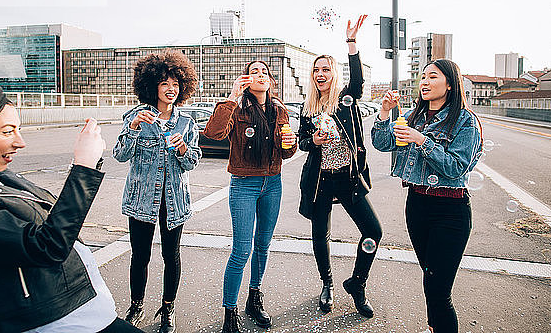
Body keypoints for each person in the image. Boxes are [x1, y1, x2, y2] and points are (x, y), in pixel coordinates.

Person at [0, 73, 142, 332]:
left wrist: (81, 167)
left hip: (88, 310)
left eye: (18, 129)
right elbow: (47, 245)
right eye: (7, 131)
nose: (20, 142)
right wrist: (84, 166)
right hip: (53, 323)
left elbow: (56, 217)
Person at [371, 59, 482, 333]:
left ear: (450, 84)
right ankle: (435, 327)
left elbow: (456, 167)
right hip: (418, 205)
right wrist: (384, 114)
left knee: (439, 291)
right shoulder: (413, 116)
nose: (425, 82)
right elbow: (382, 144)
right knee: (430, 279)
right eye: (423, 77)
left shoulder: (465, 121)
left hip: (451, 210)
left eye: (433, 76)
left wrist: (421, 140)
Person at [203, 60, 297, 333]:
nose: (260, 75)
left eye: (264, 72)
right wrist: (232, 97)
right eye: (254, 71)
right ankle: (229, 312)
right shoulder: (238, 107)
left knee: (263, 245)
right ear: (245, 79)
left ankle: (254, 299)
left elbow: (286, 150)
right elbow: (214, 133)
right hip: (244, 184)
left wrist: (288, 145)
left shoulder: (279, 110)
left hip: (273, 182)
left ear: (270, 80)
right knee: (241, 250)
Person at [298, 17, 382, 317]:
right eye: (316, 70)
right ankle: (328, 284)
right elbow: (302, 142)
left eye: (325, 69)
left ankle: (357, 283)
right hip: (320, 182)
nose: (320, 74)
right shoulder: (307, 107)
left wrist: (351, 44)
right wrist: (314, 140)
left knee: (373, 230)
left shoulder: (346, 99)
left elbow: (358, 80)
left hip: (348, 179)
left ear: (333, 73)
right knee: (320, 236)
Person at [113, 50, 201, 332]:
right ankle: (137, 305)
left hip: (174, 202)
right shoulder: (135, 117)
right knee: (140, 256)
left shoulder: (186, 123)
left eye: (176, 84)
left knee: (170, 256)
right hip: (141, 201)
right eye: (165, 83)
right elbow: (120, 154)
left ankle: (167, 309)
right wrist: (135, 127)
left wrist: (184, 149)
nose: (171, 89)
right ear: (152, 86)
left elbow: (193, 162)